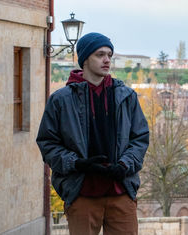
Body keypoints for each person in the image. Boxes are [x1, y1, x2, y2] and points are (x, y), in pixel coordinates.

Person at [36, 32, 149, 235]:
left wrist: (125, 165)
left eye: (109, 55)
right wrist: (76, 163)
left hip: (120, 191)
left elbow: (140, 138)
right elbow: (48, 143)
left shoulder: (126, 96)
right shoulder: (61, 100)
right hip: (82, 193)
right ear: (85, 59)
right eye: (99, 54)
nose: (106, 60)